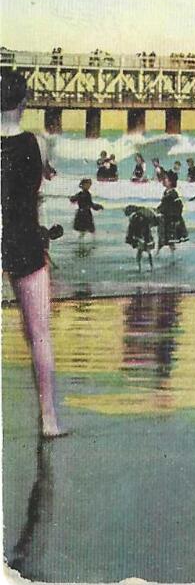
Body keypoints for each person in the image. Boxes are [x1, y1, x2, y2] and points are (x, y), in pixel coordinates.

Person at [1, 68, 65, 437]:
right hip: (25, 239)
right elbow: (41, 179)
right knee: (39, 333)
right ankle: (49, 419)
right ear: (24, 101)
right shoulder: (39, 142)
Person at [156, 170, 189, 253]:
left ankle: (165, 254)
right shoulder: (166, 192)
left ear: (171, 181)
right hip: (166, 219)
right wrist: (158, 210)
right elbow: (163, 205)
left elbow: (179, 205)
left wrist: (174, 216)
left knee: (170, 240)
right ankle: (160, 253)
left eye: (166, 178)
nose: (164, 180)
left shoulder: (173, 193)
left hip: (172, 220)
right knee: (165, 239)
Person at [124, 205, 159, 270]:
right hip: (147, 236)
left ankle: (139, 267)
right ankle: (151, 267)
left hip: (140, 237)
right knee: (148, 252)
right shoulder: (144, 215)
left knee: (140, 252)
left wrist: (131, 238)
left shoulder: (135, 217)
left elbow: (132, 229)